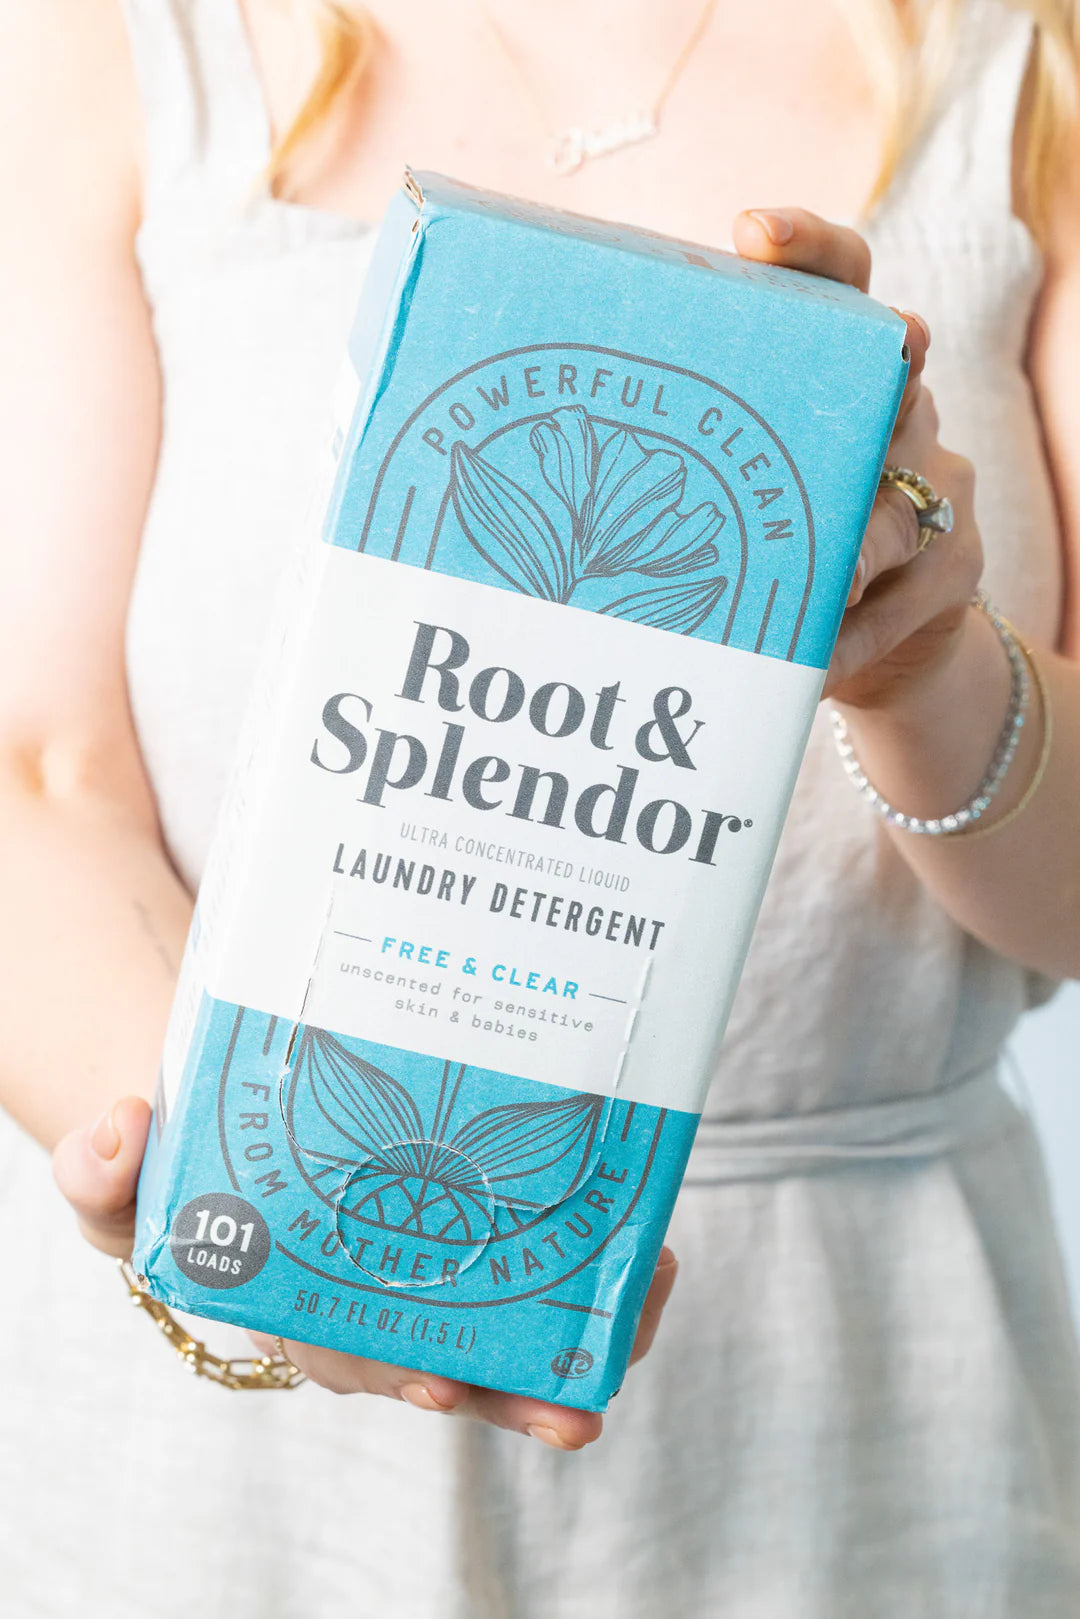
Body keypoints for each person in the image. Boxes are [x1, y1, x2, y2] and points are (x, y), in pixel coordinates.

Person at [2, 0, 1079, 1612]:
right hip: (230, 1444)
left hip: (864, 1400)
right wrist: (228, 1182)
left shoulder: (1037, 62)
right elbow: (36, 770)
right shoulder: (115, 40)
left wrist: (925, 662)